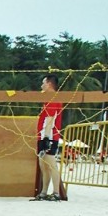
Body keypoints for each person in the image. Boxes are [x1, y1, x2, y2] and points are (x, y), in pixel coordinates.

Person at [32, 74, 63, 202]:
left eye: (43, 83)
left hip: (49, 135)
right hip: (43, 134)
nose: (41, 86)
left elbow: (50, 119)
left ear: (49, 84)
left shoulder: (53, 98)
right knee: (43, 164)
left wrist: (46, 138)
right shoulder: (48, 98)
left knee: (51, 164)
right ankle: (44, 192)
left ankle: (56, 192)